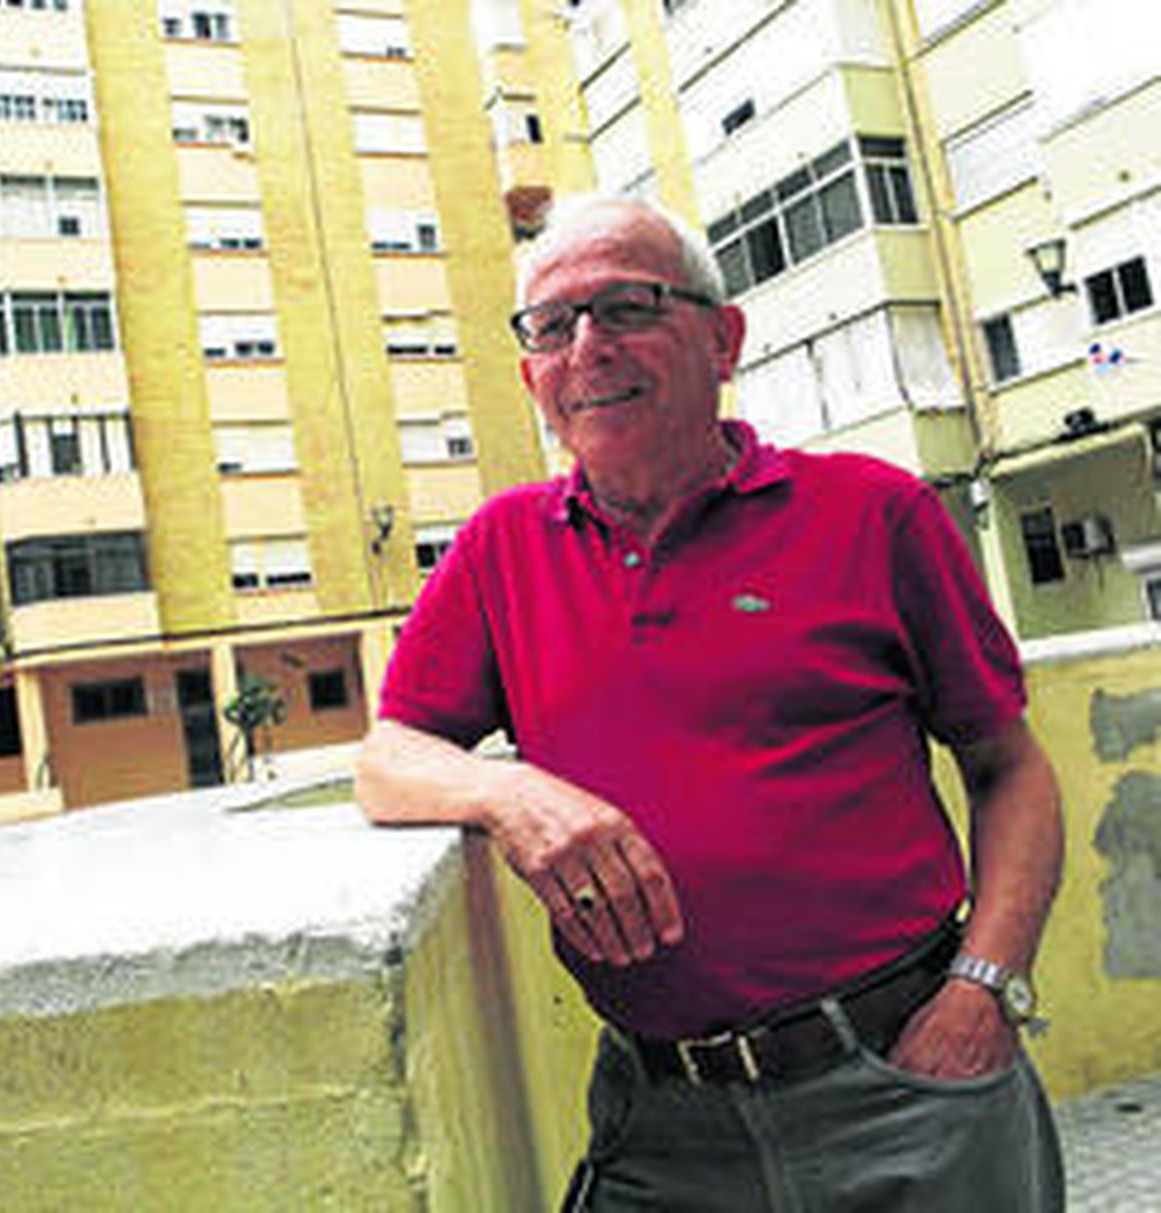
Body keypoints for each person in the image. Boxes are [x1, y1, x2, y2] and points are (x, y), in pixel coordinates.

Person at [355, 195, 1065, 1210]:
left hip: (908, 1082)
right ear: (531, 377)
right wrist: (514, 798)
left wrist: (984, 989)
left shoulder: (873, 512)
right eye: (553, 326)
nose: (587, 346)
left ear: (721, 338)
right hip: (661, 1125)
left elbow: (1009, 767)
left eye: (627, 307)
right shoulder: (500, 549)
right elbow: (389, 755)